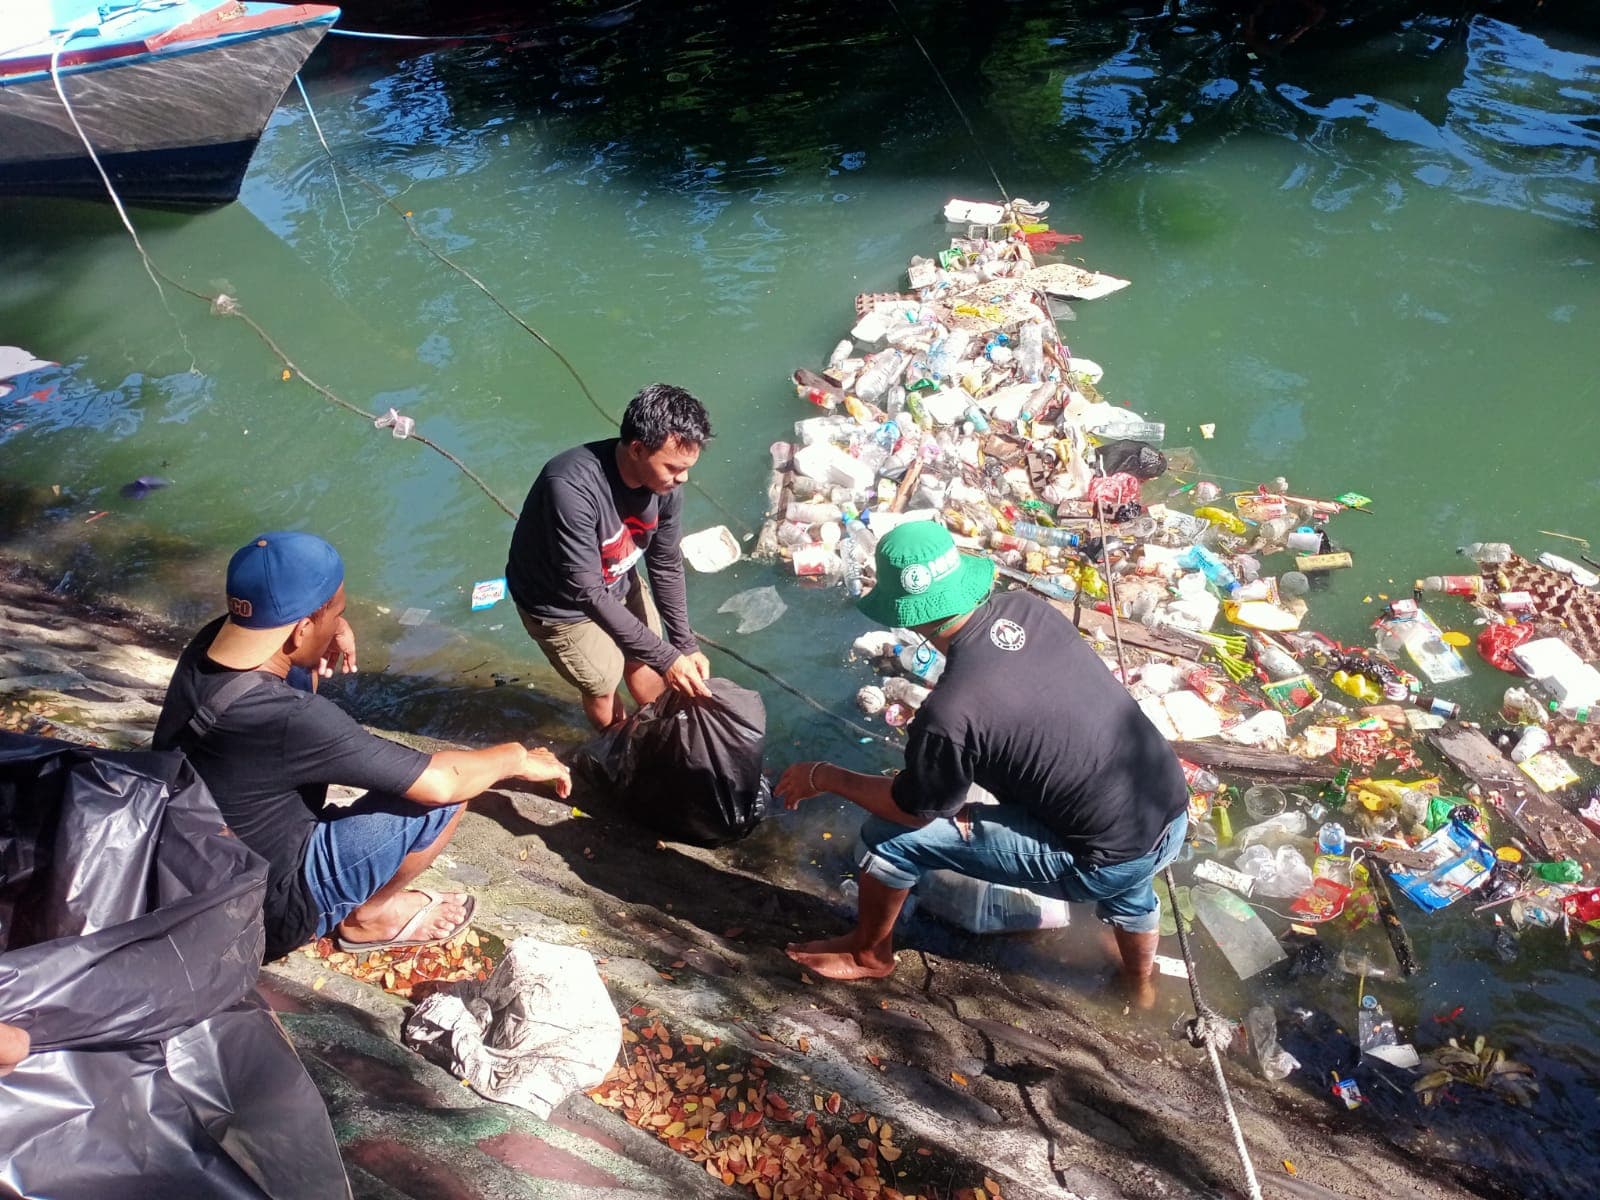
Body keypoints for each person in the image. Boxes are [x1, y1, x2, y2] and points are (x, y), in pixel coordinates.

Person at [776, 522, 1188, 1004]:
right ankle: (1140, 989)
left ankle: (870, 955)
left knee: (888, 839)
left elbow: (912, 811)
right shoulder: (1030, 610)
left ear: (908, 617)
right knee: (1126, 864)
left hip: (1102, 860)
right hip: (1168, 811)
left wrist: (824, 775)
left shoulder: (951, 712)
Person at [154, 531, 572, 962]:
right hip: (264, 912)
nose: (340, 622)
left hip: (194, 868)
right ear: (301, 629)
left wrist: (326, 630)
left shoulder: (207, 648)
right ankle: (368, 917)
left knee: (302, 678)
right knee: (447, 798)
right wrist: (518, 757)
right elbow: (442, 783)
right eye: (337, 612)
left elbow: (290, 660)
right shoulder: (290, 718)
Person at [507, 383, 714, 731]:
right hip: (560, 603)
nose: (684, 478)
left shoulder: (667, 486)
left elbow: (664, 563)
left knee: (647, 659)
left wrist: (683, 644)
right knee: (602, 682)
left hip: (618, 576)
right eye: (674, 468)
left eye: (688, 467)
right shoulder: (571, 486)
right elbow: (586, 592)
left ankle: (663, 734)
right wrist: (669, 657)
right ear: (637, 449)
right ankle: (619, 745)